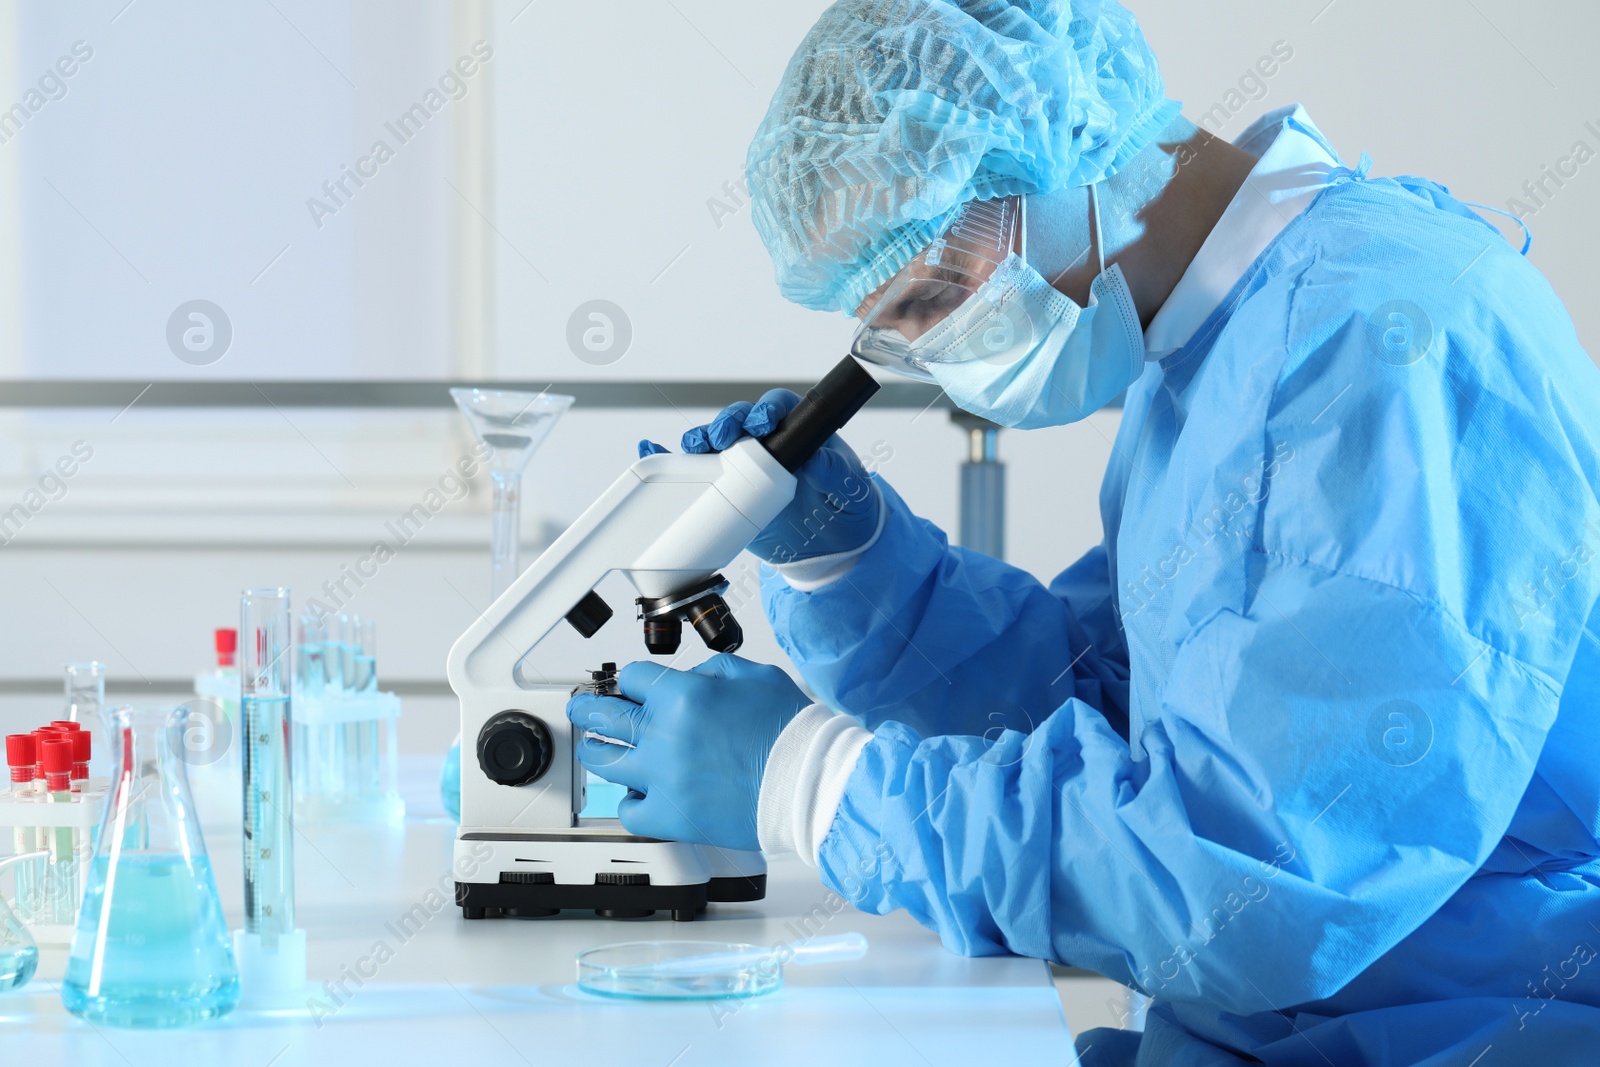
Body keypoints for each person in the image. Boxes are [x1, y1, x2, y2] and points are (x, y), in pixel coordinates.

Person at [565, 2, 1600, 1063]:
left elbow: (1253, 876)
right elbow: (1110, 701)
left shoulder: (1384, 341)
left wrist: (813, 782)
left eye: (929, 298)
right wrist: (863, 569)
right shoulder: (1215, 343)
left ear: (1053, 153)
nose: (928, 354)